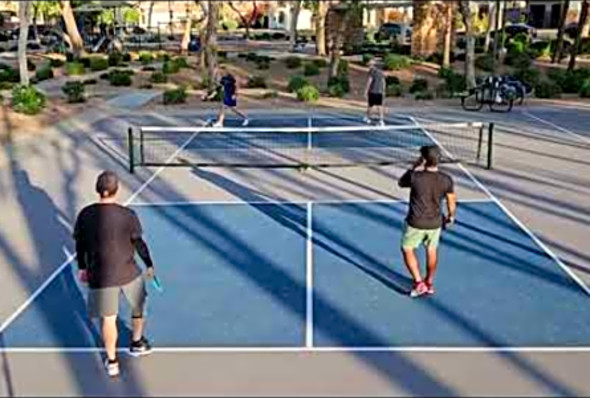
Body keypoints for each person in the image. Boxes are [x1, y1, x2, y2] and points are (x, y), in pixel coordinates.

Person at [74, 171, 155, 378]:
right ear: (116, 189)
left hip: (100, 275)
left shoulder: (84, 214)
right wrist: (149, 265)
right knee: (138, 308)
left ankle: (112, 362)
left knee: (108, 319)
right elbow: (138, 243)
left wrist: (82, 267)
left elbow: (80, 244)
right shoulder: (128, 215)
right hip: (129, 272)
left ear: (98, 190)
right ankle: (137, 342)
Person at [398, 146, 456, 298]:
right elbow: (451, 200)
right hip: (435, 224)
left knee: (407, 249)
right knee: (432, 250)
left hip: (415, 223)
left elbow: (401, 182)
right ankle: (429, 282)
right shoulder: (446, 179)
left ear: (423, 159)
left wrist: (414, 167)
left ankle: (419, 283)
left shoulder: (414, 177)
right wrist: (451, 216)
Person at [363, 59, 386, 126]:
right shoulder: (381, 72)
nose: (368, 66)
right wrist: (383, 90)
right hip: (380, 91)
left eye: (369, 65)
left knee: (370, 105)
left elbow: (370, 81)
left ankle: (368, 118)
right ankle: (381, 120)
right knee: (380, 106)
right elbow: (383, 81)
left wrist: (366, 90)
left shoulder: (372, 71)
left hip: (373, 90)